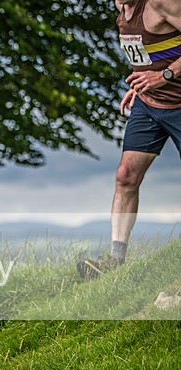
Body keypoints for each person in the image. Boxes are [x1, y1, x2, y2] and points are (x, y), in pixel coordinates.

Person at [78, 0, 181, 279]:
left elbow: (163, 65)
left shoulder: (161, 3)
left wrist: (164, 75)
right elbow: (146, 51)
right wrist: (141, 84)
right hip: (148, 105)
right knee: (125, 176)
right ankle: (115, 260)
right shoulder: (121, 6)